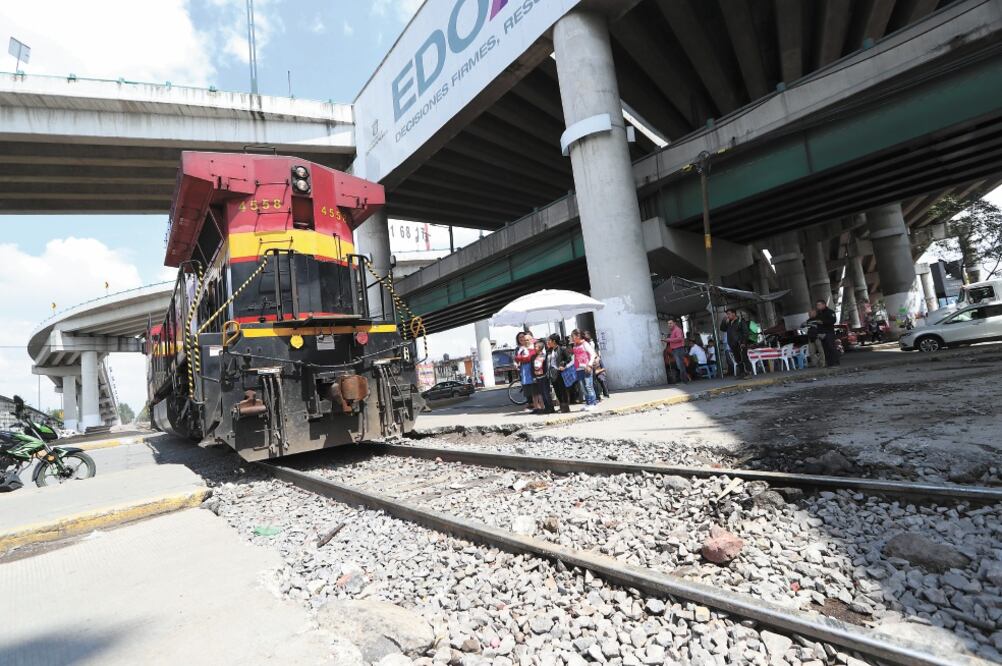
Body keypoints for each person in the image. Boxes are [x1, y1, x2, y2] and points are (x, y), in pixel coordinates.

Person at [571, 329, 598, 410]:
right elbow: (574, 358)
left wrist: (589, 365)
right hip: (578, 369)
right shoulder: (575, 345)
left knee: (588, 386)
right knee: (583, 387)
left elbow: (593, 354)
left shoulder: (585, 344)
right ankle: (588, 403)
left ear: (578, 336)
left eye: (573, 336)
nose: (572, 338)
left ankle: (593, 403)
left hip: (586, 368)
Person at [546, 334, 573, 413]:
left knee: (563, 390)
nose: (548, 342)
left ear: (554, 341)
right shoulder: (549, 350)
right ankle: (561, 406)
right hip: (552, 372)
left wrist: (563, 364)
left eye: (549, 340)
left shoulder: (562, 349)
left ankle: (566, 407)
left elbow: (568, 359)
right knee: (557, 390)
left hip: (560, 372)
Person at [719, 309, 748, 378]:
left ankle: (748, 373)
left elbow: (745, 333)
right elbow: (722, 329)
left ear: (734, 314)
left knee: (743, 358)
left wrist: (743, 342)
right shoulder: (729, 323)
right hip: (732, 344)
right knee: (737, 359)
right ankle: (742, 373)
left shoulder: (740, 321)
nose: (727, 316)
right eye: (727, 314)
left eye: (729, 314)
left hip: (740, 343)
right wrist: (724, 320)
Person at [583, 331, 610, 399]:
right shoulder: (586, 344)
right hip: (591, 363)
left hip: (595, 364)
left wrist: (599, 370)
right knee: (593, 381)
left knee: (600, 379)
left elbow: (594, 354)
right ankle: (597, 396)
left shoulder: (590, 343)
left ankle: (603, 394)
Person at [514, 332, 537, 411]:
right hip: (523, 370)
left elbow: (528, 357)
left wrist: (521, 358)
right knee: (526, 387)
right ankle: (530, 404)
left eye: (523, 337)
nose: (522, 339)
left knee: (533, 387)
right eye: (520, 337)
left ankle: (535, 405)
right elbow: (516, 358)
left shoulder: (532, 346)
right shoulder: (518, 349)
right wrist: (517, 362)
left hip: (531, 369)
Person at [530, 339, 554, 414]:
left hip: (544, 377)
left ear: (540, 347)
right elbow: (532, 367)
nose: (534, 348)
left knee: (546, 393)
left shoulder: (545, 356)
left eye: (536, 346)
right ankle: (546, 407)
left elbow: (546, 366)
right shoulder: (533, 357)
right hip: (537, 377)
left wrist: (546, 375)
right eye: (534, 346)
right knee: (542, 393)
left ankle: (551, 408)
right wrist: (533, 376)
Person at [815, 299, 839, 367]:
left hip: (829, 333)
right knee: (825, 349)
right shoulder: (819, 313)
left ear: (824, 305)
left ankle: (835, 362)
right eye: (817, 305)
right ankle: (829, 363)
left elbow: (833, 321)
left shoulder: (830, 312)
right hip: (821, 334)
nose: (818, 306)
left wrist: (823, 322)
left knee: (831, 347)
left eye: (819, 305)